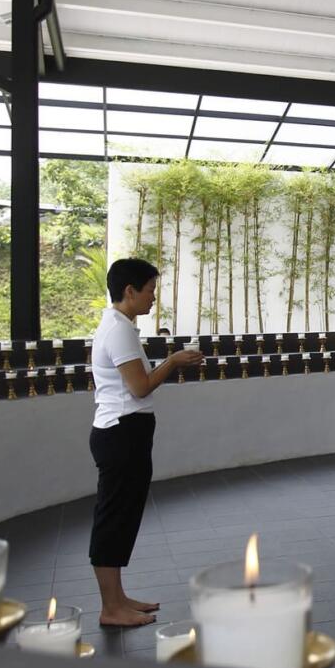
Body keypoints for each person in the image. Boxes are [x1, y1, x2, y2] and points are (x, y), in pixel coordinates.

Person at [90, 258, 203, 627]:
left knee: (123, 518)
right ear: (130, 291)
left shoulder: (119, 326)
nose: (154, 298)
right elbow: (139, 388)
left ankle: (119, 599)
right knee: (114, 519)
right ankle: (111, 608)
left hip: (124, 432)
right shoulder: (120, 331)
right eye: (151, 290)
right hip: (121, 433)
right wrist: (173, 362)